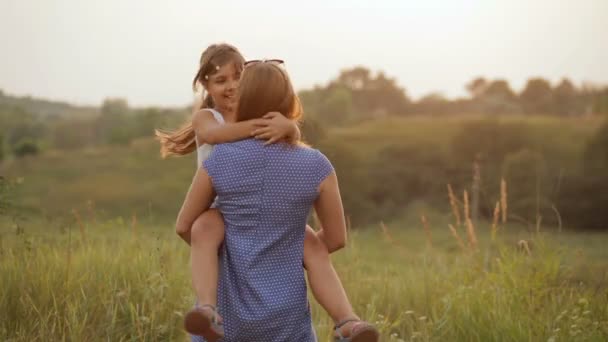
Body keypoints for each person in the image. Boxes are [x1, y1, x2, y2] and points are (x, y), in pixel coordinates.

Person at [174, 57, 379, 341]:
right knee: (309, 241)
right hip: (287, 320)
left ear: (242, 99)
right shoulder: (317, 165)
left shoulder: (219, 160)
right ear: (289, 101)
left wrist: (228, 255)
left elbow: (184, 226)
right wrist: (288, 249)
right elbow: (336, 239)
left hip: (227, 316)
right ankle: (347, 322)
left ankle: (209, 310)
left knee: (204, 227)